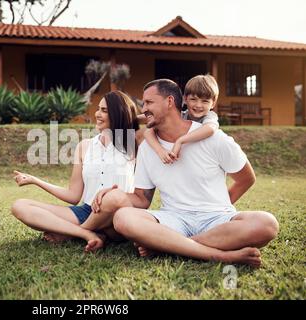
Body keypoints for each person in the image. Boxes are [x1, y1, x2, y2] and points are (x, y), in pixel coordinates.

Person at [91, 79, 278, 267]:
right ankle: (221, 255)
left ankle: (168, 245)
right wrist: (113, 194)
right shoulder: (148, 147)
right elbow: (142, 198)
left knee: (267, 224)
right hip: (174, 220)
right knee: (123, 218)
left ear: (170, 101)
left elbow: (246, 178)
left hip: (216, 219)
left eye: (148, 102)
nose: (144, 108)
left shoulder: (214, 138)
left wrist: (220, 206)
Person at [11, 91, 140, 252]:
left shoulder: (133, 142)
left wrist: (131, 117)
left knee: (110, 199)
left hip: (117, 214)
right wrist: (35, 180)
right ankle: (87, 233)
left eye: (104, 110)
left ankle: (71, 233)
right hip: (86, 210)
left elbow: (151, 122)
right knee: (20, 206)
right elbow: (73, 196)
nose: (97, 114)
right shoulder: (84, 146)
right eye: (98, 109)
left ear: (119, 114)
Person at [144, 74, 220, 164]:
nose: (198, 105)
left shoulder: (210, 116)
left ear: (213, 103)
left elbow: (210, 129)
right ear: (185, 99)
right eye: (193, 99)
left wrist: (180, 141)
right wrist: (160, 151)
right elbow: (148, 132)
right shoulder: (182, 115)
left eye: (205, 101)